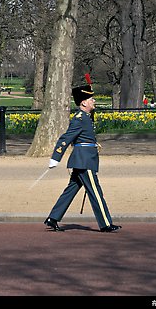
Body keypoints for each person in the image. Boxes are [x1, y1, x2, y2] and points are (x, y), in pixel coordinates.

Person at [44, 83, 122, 233]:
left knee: (71, 190)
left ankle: (53, 218)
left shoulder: (86, 116)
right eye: (91, 99)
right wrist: (56, 157)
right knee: (95, 191)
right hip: (84, 161)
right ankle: (105, 223)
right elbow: (65, 138)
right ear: (83, 102)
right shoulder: (80, 118)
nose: (94, 101)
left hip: (84, 159)